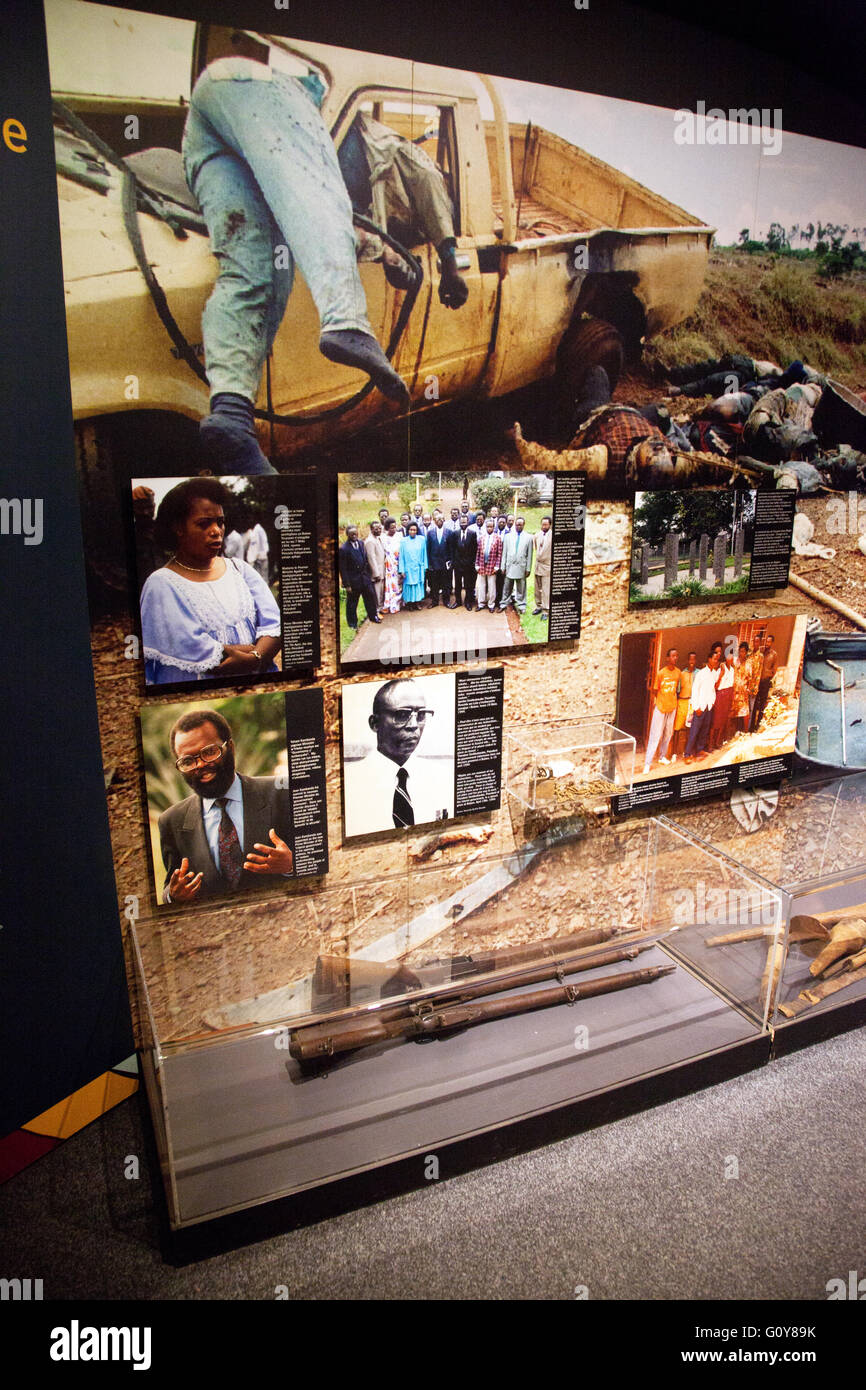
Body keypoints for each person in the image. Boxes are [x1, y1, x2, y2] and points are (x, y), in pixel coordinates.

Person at [182, 47, 408, 476]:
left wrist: (387, 252)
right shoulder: (314, 116)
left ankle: (230, 413)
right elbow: (316, 198)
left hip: (208, 137)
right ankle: (347, 322)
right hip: (251, 86)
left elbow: (306, 218)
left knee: (256, 269)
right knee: (316, 190)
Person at [140, 478, 281, 686]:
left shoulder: (239, 569)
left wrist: (254, 658)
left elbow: (275, 626)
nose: (216, 531)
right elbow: (195, 648)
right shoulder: (162, 584)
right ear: (179, 527)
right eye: (204, 523)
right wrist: (258, 650)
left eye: (220, 522)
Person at [337, 109, 469, 310]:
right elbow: (431, 192)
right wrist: (449, 265)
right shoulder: (423, 176)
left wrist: (386, 253)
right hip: (362, 149)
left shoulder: (411, 183)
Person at [158, 709, 293, 904]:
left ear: (230, 747)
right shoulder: (171, 821)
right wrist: (173, 895)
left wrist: (291, 865)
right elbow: (169, 888)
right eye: (188, 761)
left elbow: (319, 859)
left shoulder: (281, 793)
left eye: (210, 752)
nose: (200, 765)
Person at [342, 679, 453, 837]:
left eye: (421, 715)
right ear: (375, 723)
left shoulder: (442, 777)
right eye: (402, 715)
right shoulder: (351, 783)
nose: (414, 725)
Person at [643, 648, 681, 774]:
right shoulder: (661, 673)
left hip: (672, 707)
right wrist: (659, 702)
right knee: (655, 735)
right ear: (667, 658)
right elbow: (654, 689)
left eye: (676, 656)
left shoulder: (678, 673)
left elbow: (677, 689)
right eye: (673, 656)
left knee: (668, 733)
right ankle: (647, 763)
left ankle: (662, 757)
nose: (675, 658)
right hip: (660, 708)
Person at [339, 525, 382, 630]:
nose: (354, 536)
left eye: (356, 533)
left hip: (365, 578)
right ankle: (352, 624)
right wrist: (347, 584)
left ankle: (373, 616)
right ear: (347, 535)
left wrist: (369, 574)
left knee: (370, 598)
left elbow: (365, 560)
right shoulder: (344, 549)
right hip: (354, 581)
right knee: (352, 603)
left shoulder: (361, 543)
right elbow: (343, 569)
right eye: (352, 534)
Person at [684, 650, 720, 761]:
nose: (716, 661)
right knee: (694, 731)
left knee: (704, 730)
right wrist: (697, 707)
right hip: (700, 707)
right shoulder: (701, 673)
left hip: (708, 707)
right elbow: (695, 691)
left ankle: (699, 750)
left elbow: (713, 689)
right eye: (714, 659)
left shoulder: (714, 673)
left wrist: (712, 702)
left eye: (717, 660)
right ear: (709, 659)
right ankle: (687, 754)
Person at [499, 516, 533, 614]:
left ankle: (522, 605)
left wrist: (528, 568)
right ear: (515, 525)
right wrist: (503, 566)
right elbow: (504, 553)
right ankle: (503, 604)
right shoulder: (508, 536)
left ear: (523, 525)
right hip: (509, 566)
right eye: (517, 524)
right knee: (506, 587)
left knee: (521, 588)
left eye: (520, 524)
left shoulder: (528, 537)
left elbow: (530, 554)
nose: (518, 526)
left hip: (521, 567)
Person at [669, 651, 697, 760]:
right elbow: (677, 690)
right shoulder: (682, 673)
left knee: (689, 728)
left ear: (696, 661)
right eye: (690, 659)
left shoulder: (698, 673)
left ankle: (687, 751)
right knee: (677, 728)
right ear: (687, 660)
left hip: (692, 703)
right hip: (682, 702)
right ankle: (674, 753)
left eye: (694, 659)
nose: (692, 661)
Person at [475, 516, 503, 612]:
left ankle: (491, 604)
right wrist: (477, 564)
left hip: (492, 565)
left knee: (491, 586)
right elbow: (478, 552)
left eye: (491, 527)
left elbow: (499, 554)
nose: (489, 528)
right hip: (482, 565)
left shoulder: (498, 538)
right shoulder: (482, 538)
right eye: (488, 527)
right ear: (485, 527)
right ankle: (481, 603)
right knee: (481, 585)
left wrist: (497, 566)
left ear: (494, 527)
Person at [751, 634, 779, 731]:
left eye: (769, 642)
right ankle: (751, 725)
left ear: (772, 643)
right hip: (757, 682)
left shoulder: (774, 654)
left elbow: (775, 669)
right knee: (755, 704)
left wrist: (768, 676)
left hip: (765, 682)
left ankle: (758, 724)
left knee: (762, 703)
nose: (767, 643)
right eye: (766, 641)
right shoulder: (761, 652)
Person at [426, 512, 453, 607]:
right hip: (434, 563)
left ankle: (446, 601)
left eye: (442, 519)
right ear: (434, 521)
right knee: (434, 584)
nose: (440, 520)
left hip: (445, 563)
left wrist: (450, 561)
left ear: (444, 520)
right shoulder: (430, 533)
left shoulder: (449, 532)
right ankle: (434, 602)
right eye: (437, 519)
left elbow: (451, 549)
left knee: (446, 584)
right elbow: (428, 549)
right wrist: (429, 563)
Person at [709, 650, 735, 750]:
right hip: (720, 694)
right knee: (716, 720)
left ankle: (717, 742)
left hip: (728, 694)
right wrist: (722, 674)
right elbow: (716, 685)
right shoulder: (721, 667)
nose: (730, 659)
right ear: (725, 658)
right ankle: (710, 743)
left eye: (732, 658)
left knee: (723, 720)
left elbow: (732, 684)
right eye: (728, 657)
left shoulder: (732, 669)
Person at [398, 520, 427, 609]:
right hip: (408, 568)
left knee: (418, 585)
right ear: (408, 530)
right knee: (409, 585)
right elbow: (401, 557)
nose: (413, 532)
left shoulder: (422, 539)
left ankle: (418, 602)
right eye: (411, 530)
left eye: (414, 530)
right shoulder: (403, 541)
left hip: (418, 567)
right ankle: (410, 603)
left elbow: (424, 553)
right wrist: (402, 570)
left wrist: (425, 566)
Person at [452, 515, 478, 610]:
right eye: (461, 522)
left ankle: (468, 602)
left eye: (465, 522)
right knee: (457, 585)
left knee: (468, 585)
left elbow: (474, 549)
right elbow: (453, 548)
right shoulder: (455, 533)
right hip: (458, 565)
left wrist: (472, 563)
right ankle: (458, 601)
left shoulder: (472, 533)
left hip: (468, 565)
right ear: (459, 523)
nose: (463, 524)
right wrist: (454, 562)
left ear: (468, 523)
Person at [382, 518, 404, 614]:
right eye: (392, 528)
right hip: (389, 565)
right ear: (387, 528)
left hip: (399, 563)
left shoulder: (399, 536)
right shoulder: (383, 538)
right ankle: (390, 604)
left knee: (399, 584)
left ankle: (398, 603)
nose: (394, 529)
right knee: (390, 585)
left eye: (395, 527)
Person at [364, 519, 386, 611]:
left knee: (381, 591)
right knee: (377, 592)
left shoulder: (377, 538)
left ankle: (380, 607)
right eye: (376, 529)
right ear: (371, 530)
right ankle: (377, 610)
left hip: (382, 569)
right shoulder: (370, 541)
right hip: (377, 572)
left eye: (380, 528)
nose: (379, 530)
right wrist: (376, 573)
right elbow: (371, 558)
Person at [732, 642, 754, 732]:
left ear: (746, 652)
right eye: (740, 651)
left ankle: (745, 731)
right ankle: (733, 731)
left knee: (745, 712)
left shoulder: (749, 664)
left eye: (743, 651)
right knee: (733, 712)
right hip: (734, 691)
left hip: (743, 692)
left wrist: (748, 689)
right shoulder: (735, 662)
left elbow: (750, 678)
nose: (741, 653)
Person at [533, 516, 552, 617]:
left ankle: (546, 610)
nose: (544, 526)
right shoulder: (537, 535)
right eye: (542, 524)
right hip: (538, 565)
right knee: (537, 588)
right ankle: (538, 606)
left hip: (547, 566)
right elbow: (536, 549)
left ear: (550, 525)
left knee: (545, 589)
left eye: (546, 524)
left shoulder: (552, 536)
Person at [244, 518, 270, 583]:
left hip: (259, 558)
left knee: (260, 577)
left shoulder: (255, 531)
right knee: (263, 577)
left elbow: (256, 545)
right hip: (262, 557)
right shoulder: (259, 530)